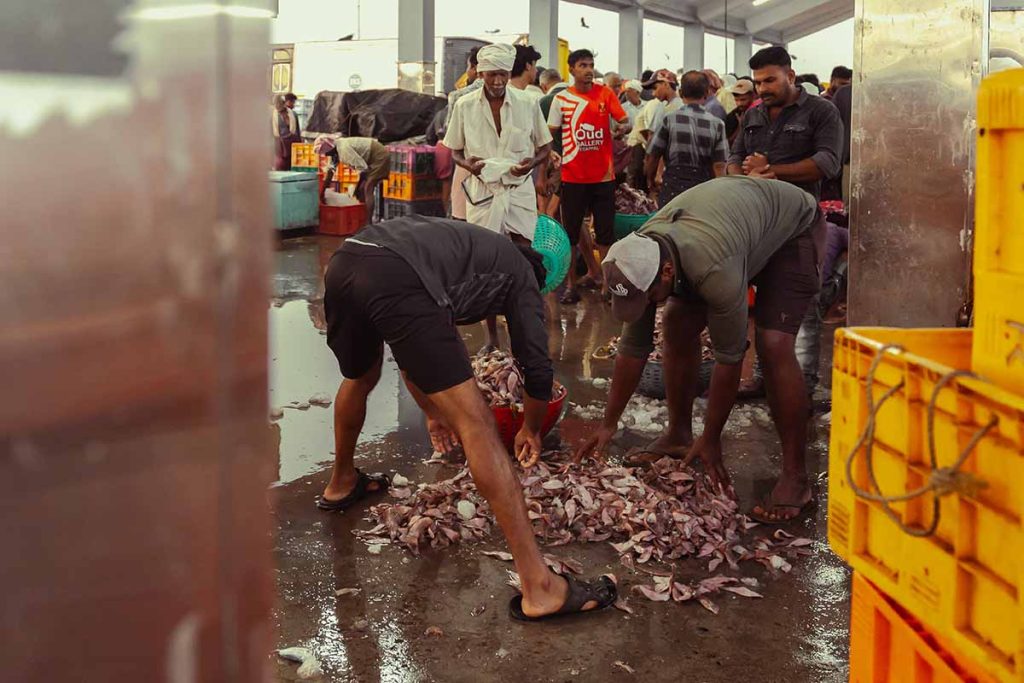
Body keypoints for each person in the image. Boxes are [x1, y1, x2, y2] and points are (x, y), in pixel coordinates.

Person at [321, 217, 618, 620]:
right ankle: (541, 587)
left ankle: (341, 483)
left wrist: (432, 412)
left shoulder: (473, 248)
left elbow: (412, 349)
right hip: (397, 275)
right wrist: (530, 427)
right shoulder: (521, 274)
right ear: (544, 273)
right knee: (477, 424)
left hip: (348, 260)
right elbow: (536, 365)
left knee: (360, 375)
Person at [575, 176, 826, 524]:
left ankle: (796, 479)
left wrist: (712, 438)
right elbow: (633, 348)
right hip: (733, 229)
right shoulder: (638, 258)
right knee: (675, 321)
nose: (644, 305)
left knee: (773, 343)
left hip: (792, 229)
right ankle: (678, 434)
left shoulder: (713, 268)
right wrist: (608, 423)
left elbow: (729, 358)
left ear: (666, 273)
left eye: (647, 297)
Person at [727, 45, 842, 396]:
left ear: (790, 76)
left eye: (770, 80)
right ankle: (765, 379)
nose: (762, 89)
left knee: (801, 304)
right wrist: (743, 177)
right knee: (763, 302)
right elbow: (734, 156)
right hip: (760, 225)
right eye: (758, 82)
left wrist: (773, 172)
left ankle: (803, 386)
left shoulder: (821, 111)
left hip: (801, 225)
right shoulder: (754, 115)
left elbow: (828, 162)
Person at [444, 43, 553, 349]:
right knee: (486, 264)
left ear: (509, 72)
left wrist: (530, 164)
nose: (497, 81)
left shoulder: (527, 103)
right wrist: (470, 166)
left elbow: (544, 146)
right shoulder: (464, 106)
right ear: (480, 72)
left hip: (518, 192)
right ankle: (492, 337)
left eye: (503, 74)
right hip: (482, 192)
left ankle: (527, 329)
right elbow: (455, 150)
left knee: (525, 260)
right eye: (492, 74)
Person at [546, 49, 631, 304]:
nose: (588, 69)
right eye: (583, 65)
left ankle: (606, 285)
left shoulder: (606, 93)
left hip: (603, 179)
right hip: (572, 179)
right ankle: (571, 286)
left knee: (605, 235)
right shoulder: (561, 100)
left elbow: (624, 120)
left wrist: (621, 128)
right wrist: (553, 156)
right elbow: (550, 136)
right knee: (570, 235)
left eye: (591, 64)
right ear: (571, 69)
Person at [644, 71, 728, 206]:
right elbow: (719, 165)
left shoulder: (669, 119)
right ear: (706, 93)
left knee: (670, 225)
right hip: (703, 189)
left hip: (673, 187)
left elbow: (653, 156)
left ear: (681, 92)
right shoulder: (717, 124)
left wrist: (650, 180)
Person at [625, 69, 681, 194]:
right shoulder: (681, 105)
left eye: (655, 88)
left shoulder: (665, 109)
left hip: (668, 167)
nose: (654, 93)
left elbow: (655, 142)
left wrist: (652, 173)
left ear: (666, 84)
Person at [314, 135, 391, 224]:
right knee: (361, 190)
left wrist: (357, 187)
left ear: (330, 149)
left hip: (379, 156)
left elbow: (363, 169)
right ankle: (361, 218)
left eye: (326, 153)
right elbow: (330, 173)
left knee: (367, 188)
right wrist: (322, 193)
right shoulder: (335, 152)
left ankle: (368, 222)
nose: (327, 155)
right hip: (369, 159)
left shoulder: (343, 150)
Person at [447, 46, 486, 221]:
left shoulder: (458, 97)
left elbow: (452, 137)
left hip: (467, 165)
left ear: (475, 68)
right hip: (498, 172)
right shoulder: (516, 97)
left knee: (462, 219)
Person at [271, 94, 301, 170]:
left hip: (292, 148)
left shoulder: (293, 114)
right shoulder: (272, 115)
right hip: (279, 149)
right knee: (279, 168)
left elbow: (298, 133)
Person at [724, 79, 755, 147]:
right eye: (736, 100)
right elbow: (727, 143)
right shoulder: (732, 116)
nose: (739, 104)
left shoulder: (760, 114)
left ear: (752, 96)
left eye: (743, 100)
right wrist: (740, 127)